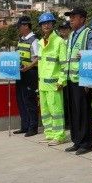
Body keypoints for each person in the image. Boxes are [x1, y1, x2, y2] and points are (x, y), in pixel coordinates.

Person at [63, 8, 92, 155]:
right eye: (70, 17)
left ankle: (86, 143)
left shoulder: (88, 33)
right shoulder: (71, 35)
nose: (70, 20)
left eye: (73, 17)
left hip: (82, 80)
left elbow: (91, 56)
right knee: (74, 112)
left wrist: (88, 81)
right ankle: (76, 141)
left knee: (83, 112)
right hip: (71, 79)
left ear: (82, 19)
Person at [36, 12, 68, 146]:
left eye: (49, 23)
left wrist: (61, 81)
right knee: (45, 111)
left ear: (53, 24)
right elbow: (41, 64)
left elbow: (64, 64)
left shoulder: (59, 42)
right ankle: (49, 134)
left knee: (56, 111)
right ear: (40, 26)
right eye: (43, 23)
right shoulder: (40, 42)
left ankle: (59, 136)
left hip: (54, 84)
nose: (46, 25)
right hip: (42, 83)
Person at [13, 16, 39, 137]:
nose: (18, 28)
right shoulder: (21, 39)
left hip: (30, 73)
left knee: (30, 100)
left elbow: (38, 58)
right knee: (21, 100)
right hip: (20, 73)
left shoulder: (34, 40)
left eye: (19, 26)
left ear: (26, 26)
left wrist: (28, 67)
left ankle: (33, 127)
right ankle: (24, 126)